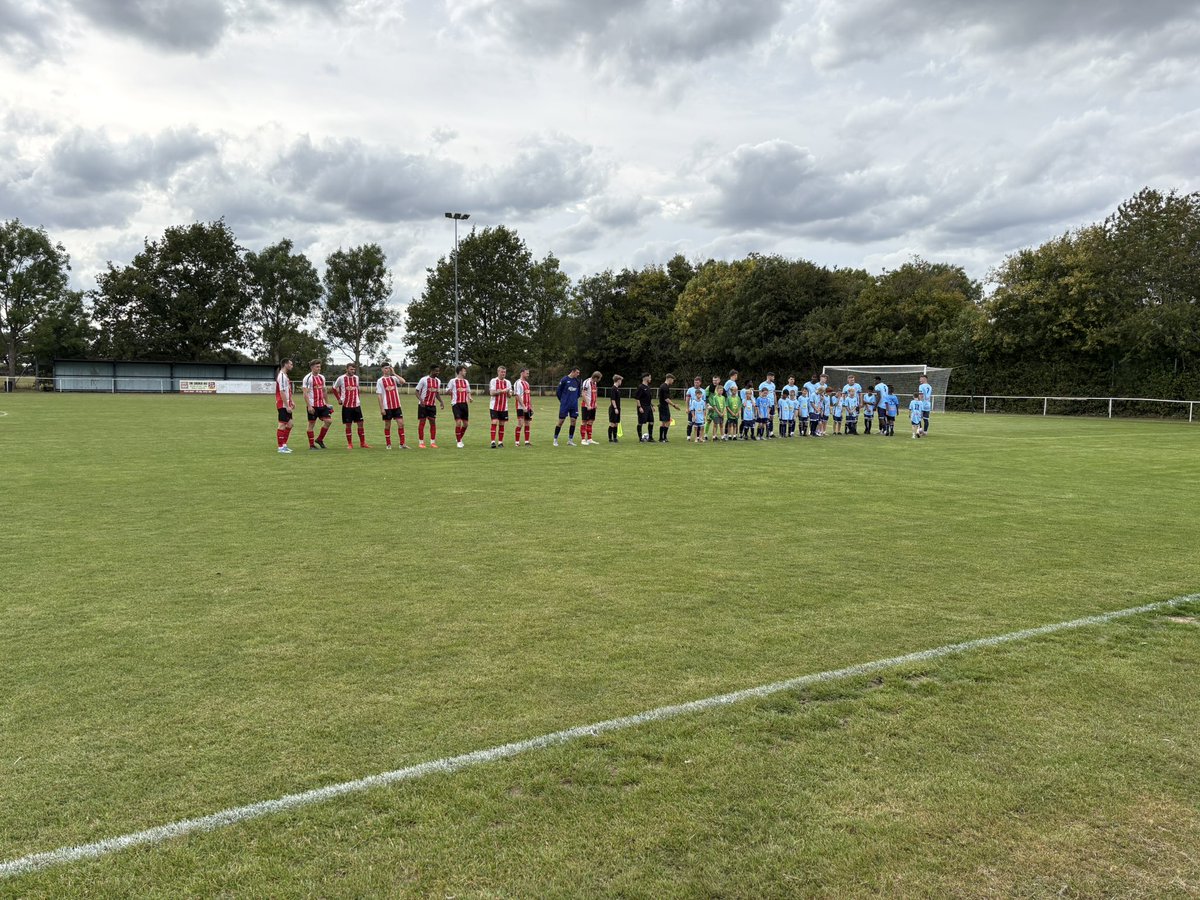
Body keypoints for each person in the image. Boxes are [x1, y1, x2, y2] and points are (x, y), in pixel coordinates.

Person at [333, 362, 370, 449]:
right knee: (348, 425)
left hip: (356, 405)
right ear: (347, 369)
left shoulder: (356, 378)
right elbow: (334, 388)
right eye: (351, 369)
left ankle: (363, 443)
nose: (353, 371)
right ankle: (350, 444)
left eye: (354, 369)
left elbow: (357, 390)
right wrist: (339, 399)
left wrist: (358, 399)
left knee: (360, 424)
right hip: (347, 406)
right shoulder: (341, 378)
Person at [376, 363, 409, 449]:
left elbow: (403, 381)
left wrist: (394, 373)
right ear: (382, 369)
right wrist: (382, 408)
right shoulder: (380, 381)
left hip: (397, 405)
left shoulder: (394, 378)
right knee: (387, 425)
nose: (387, 370)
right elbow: (379, 395)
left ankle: (402, 444)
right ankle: (388, 444)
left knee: (401, 424)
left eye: (388, 368)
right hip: (387, 407)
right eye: (385, 368)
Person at [302, 359, 332, 450]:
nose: (319, 368)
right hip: (313, 405)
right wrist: (309, 406)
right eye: (317, 367)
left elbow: (324, 390)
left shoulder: (322, 377)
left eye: (319, 366)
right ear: (312, 367)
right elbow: (305, 393)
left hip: (322, 404)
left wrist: (327, 403)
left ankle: (319, 439)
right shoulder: (308, 378)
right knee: (311, 424)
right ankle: (311, 445)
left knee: (328, 421)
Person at [415, 364, 445, 448]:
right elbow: (416, 391)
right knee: (422, 422)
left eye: (438, 371)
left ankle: (433, 442)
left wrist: (441, 401)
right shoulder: (424, 380)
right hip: (423, 405)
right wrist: (421, 400)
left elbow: (437, 393)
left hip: (432, 406)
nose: (438, 372)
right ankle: (421, 442)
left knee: (433, 422)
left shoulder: (438, 381)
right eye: (436, 371)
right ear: (431, 371)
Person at [554, 366, 581, 447]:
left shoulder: (577, 381)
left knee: (573, 421)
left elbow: (578, 393)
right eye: (577, 372)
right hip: (565, 404)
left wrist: (574, 400)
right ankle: (555, 439)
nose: (578, 374)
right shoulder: (564, 379)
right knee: (561, 421)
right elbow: (558, 392)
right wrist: (563, 401)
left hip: (574, 405)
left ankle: (570, 440)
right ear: (573, 371)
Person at [446, 365, 472, 448]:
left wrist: (470, 397)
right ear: (460, 371)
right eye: (464, 371)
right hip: (456, 404)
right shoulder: (453, 381)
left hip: (464, 404)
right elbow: (447, 390)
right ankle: (459, 442)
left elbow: (468, 391)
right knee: (458, 422)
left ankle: (459, 438)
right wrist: (449, 391)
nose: (465, 372)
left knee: (466, 424)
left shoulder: (466, 381)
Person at [488, 365, 512, 448]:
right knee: (494, 422)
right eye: (502, 372)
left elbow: (510, 396)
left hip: (504, 407)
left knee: (502, 424)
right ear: (498, 372)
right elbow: (491, 393)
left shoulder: (508, 382)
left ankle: (500, 442)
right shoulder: (493, 381)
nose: (503, 373)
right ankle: (493, 442)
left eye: (504, 372)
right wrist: (501, 391)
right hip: (494, 406)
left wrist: (508, 392)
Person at [274, 358, 295, 453]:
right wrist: (286, 405)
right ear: (285, 364)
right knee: (282, 424)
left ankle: (284, 445)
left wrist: (291, 401)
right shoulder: (282, 376)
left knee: (290, 424)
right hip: (282, 404)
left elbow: (287, 391)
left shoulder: (285, 375)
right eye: (290, 364)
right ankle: (280, 447)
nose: (292, 366)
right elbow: (282, 392)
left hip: (286, 403)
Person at [580, 370, 602, 445]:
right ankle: (583, 439)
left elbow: (594, 393)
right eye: (599, 378)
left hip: (592, 406)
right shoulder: (587, 382)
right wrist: (588, 405)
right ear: (596, 377)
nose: (599, 380)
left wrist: (595, 403)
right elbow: (583, 394)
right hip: (586, 406)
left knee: (591, 421)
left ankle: (589, 439)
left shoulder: (594, 383)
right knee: (584, 422)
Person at [513, 367, 533, 446]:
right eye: (527, 373)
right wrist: (523, 406)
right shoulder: (518, 383)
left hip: (527, 407)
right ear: (522, 373)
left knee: (527, 423)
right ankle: (517, 442)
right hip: (520, 407)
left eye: (528, 373)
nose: (528, 375)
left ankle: (527, 442)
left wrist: (531, 407)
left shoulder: (527, 383)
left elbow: (528, 396)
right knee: (520, 423)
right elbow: (517, 396)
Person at [657, 374, 680, 443]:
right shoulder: (665, 387)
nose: (673, 381)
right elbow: (666, 399)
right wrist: (674, 405)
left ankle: (661, 438)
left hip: (661, 406)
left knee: (663, 422)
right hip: (664, 406)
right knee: (667, 422)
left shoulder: (662, 386)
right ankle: (664, 437)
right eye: (672, 380)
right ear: (669, 379)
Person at [635, 373, 654, 443]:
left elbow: (648, 398)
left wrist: (652, 406)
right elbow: (637, 398)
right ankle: (640, 438)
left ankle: (650, 438)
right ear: (646, 378)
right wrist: (640, 407)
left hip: (649, 407)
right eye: (650, 377)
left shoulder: (648, 387)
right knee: (641, 422)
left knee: (651, 422)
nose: (650, 379)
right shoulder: (640, 387)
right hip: (643, 407)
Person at [758, 373, 777, 438]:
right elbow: (760, 394)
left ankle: (770, 433)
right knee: (764, 419)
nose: (774, 378)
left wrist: (775, 403)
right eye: (773, 377)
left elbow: (774, 394)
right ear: (769, 377)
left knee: (771, 418)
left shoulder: (773, 385)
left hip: (772, 404)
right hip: (765, 405)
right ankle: (760, 433)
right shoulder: (762, 384)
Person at [685, 376, 704, 441]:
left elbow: (704, 401)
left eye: (697, 382)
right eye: (695, 382)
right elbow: (687, 400)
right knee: (690, 423)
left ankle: (698, 437)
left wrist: (704, 411)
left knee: (699, 424)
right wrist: (687, 408)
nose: (696, 384)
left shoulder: (703, 391)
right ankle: (688, 436)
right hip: (692, 410)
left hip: (699, 411)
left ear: (700, 383)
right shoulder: (690, 390)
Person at [723, 370, 740, 439]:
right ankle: (726, 434)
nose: (737, 376)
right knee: (729, 419)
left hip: (735, 403)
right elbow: (724, 391)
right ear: (734, 375)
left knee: (735, 419)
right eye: (736, 375)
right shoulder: (729, 382)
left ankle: (734, 435)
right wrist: (727, 399)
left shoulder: (734, 382)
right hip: (730, 403)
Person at [607, 375, 623, 442]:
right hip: (613, 409)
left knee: (616, 423)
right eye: (621, 380)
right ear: (618, 380)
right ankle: (610, 438)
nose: (621, 382)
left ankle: (615, 438)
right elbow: (613, 400)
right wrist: (615, 408)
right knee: (612, 424)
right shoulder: (613, 388)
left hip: (618, 408)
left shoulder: (617, 389)